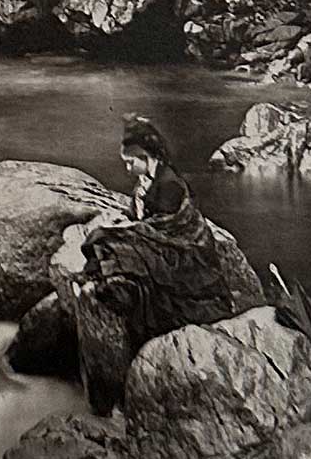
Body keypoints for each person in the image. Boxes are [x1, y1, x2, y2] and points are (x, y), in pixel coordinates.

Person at [71, 114, 237, 414]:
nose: (127, 168)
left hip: (184, 256)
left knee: (108, 240)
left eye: (130, 162)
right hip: (162, 242)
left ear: (146, 157)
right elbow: (144, 219)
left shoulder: (170, 184)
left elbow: (168, 228)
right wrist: (129, 221)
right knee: (107, 239)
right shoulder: (148, 180)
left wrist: (130, 228)